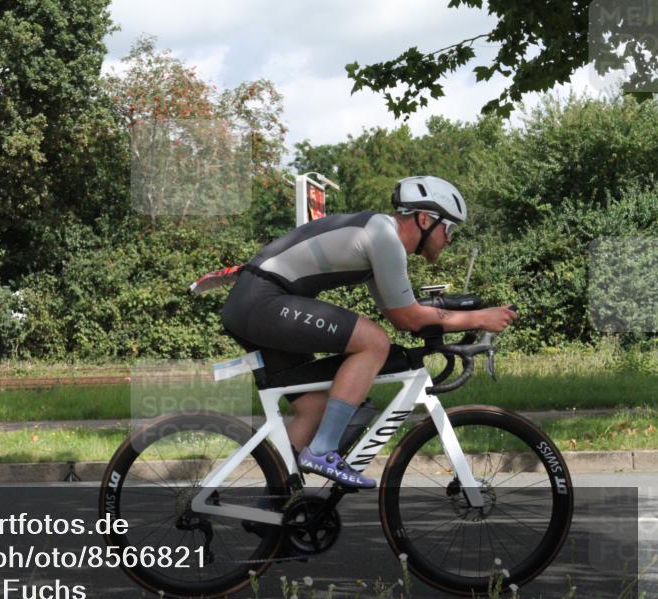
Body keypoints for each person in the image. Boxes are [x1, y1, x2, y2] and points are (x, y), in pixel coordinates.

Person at [220, 175, 517, 488]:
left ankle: (277, 508)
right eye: (450, 229)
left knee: (315, 408)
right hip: (262, 301)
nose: (449, 239)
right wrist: (479, 318)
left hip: (255, 302)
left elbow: (402, 317)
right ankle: (322, 451)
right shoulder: (384, 238)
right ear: (426, 219)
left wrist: (460, 315)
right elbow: (411, 318)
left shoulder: (380, 238)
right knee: (373, 342)